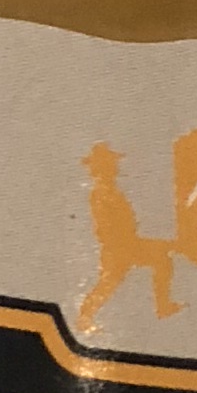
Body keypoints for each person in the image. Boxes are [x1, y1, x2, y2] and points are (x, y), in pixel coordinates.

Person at [75, 142, 180, 333]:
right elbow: (106, 227)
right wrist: (123, 243)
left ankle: (163, 307)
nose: (115, 166)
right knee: (109, 283)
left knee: (160, 259)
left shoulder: (110, 190)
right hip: (119, 247)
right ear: (103, 167)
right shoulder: (102, 193)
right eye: (111, 163)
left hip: (126, 243)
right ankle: (84, 317)